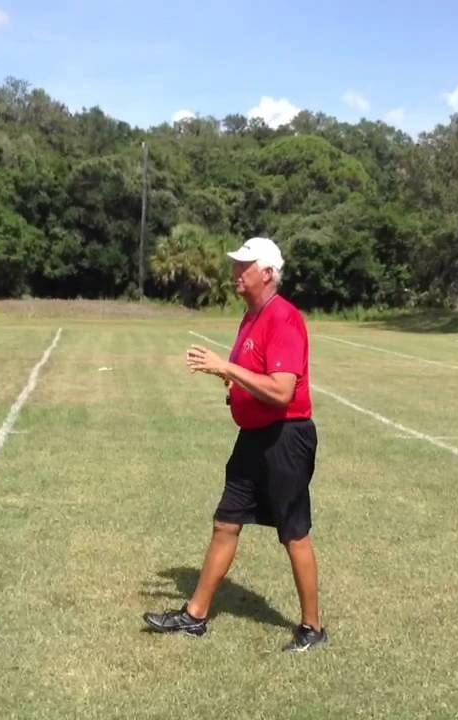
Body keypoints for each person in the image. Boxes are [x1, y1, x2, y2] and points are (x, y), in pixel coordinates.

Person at [143, 237, 325, 652]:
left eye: (245, 265)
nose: (236, 272)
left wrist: (226, 367)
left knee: (294, 533)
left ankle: (313, 628)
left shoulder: (284, 318)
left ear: (268, 273)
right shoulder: (250, 318)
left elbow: (281, 391)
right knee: (226, 521)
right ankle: (195, 616)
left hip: (285, 438)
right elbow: (251, 378)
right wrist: (232, 383)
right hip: (253, 439)